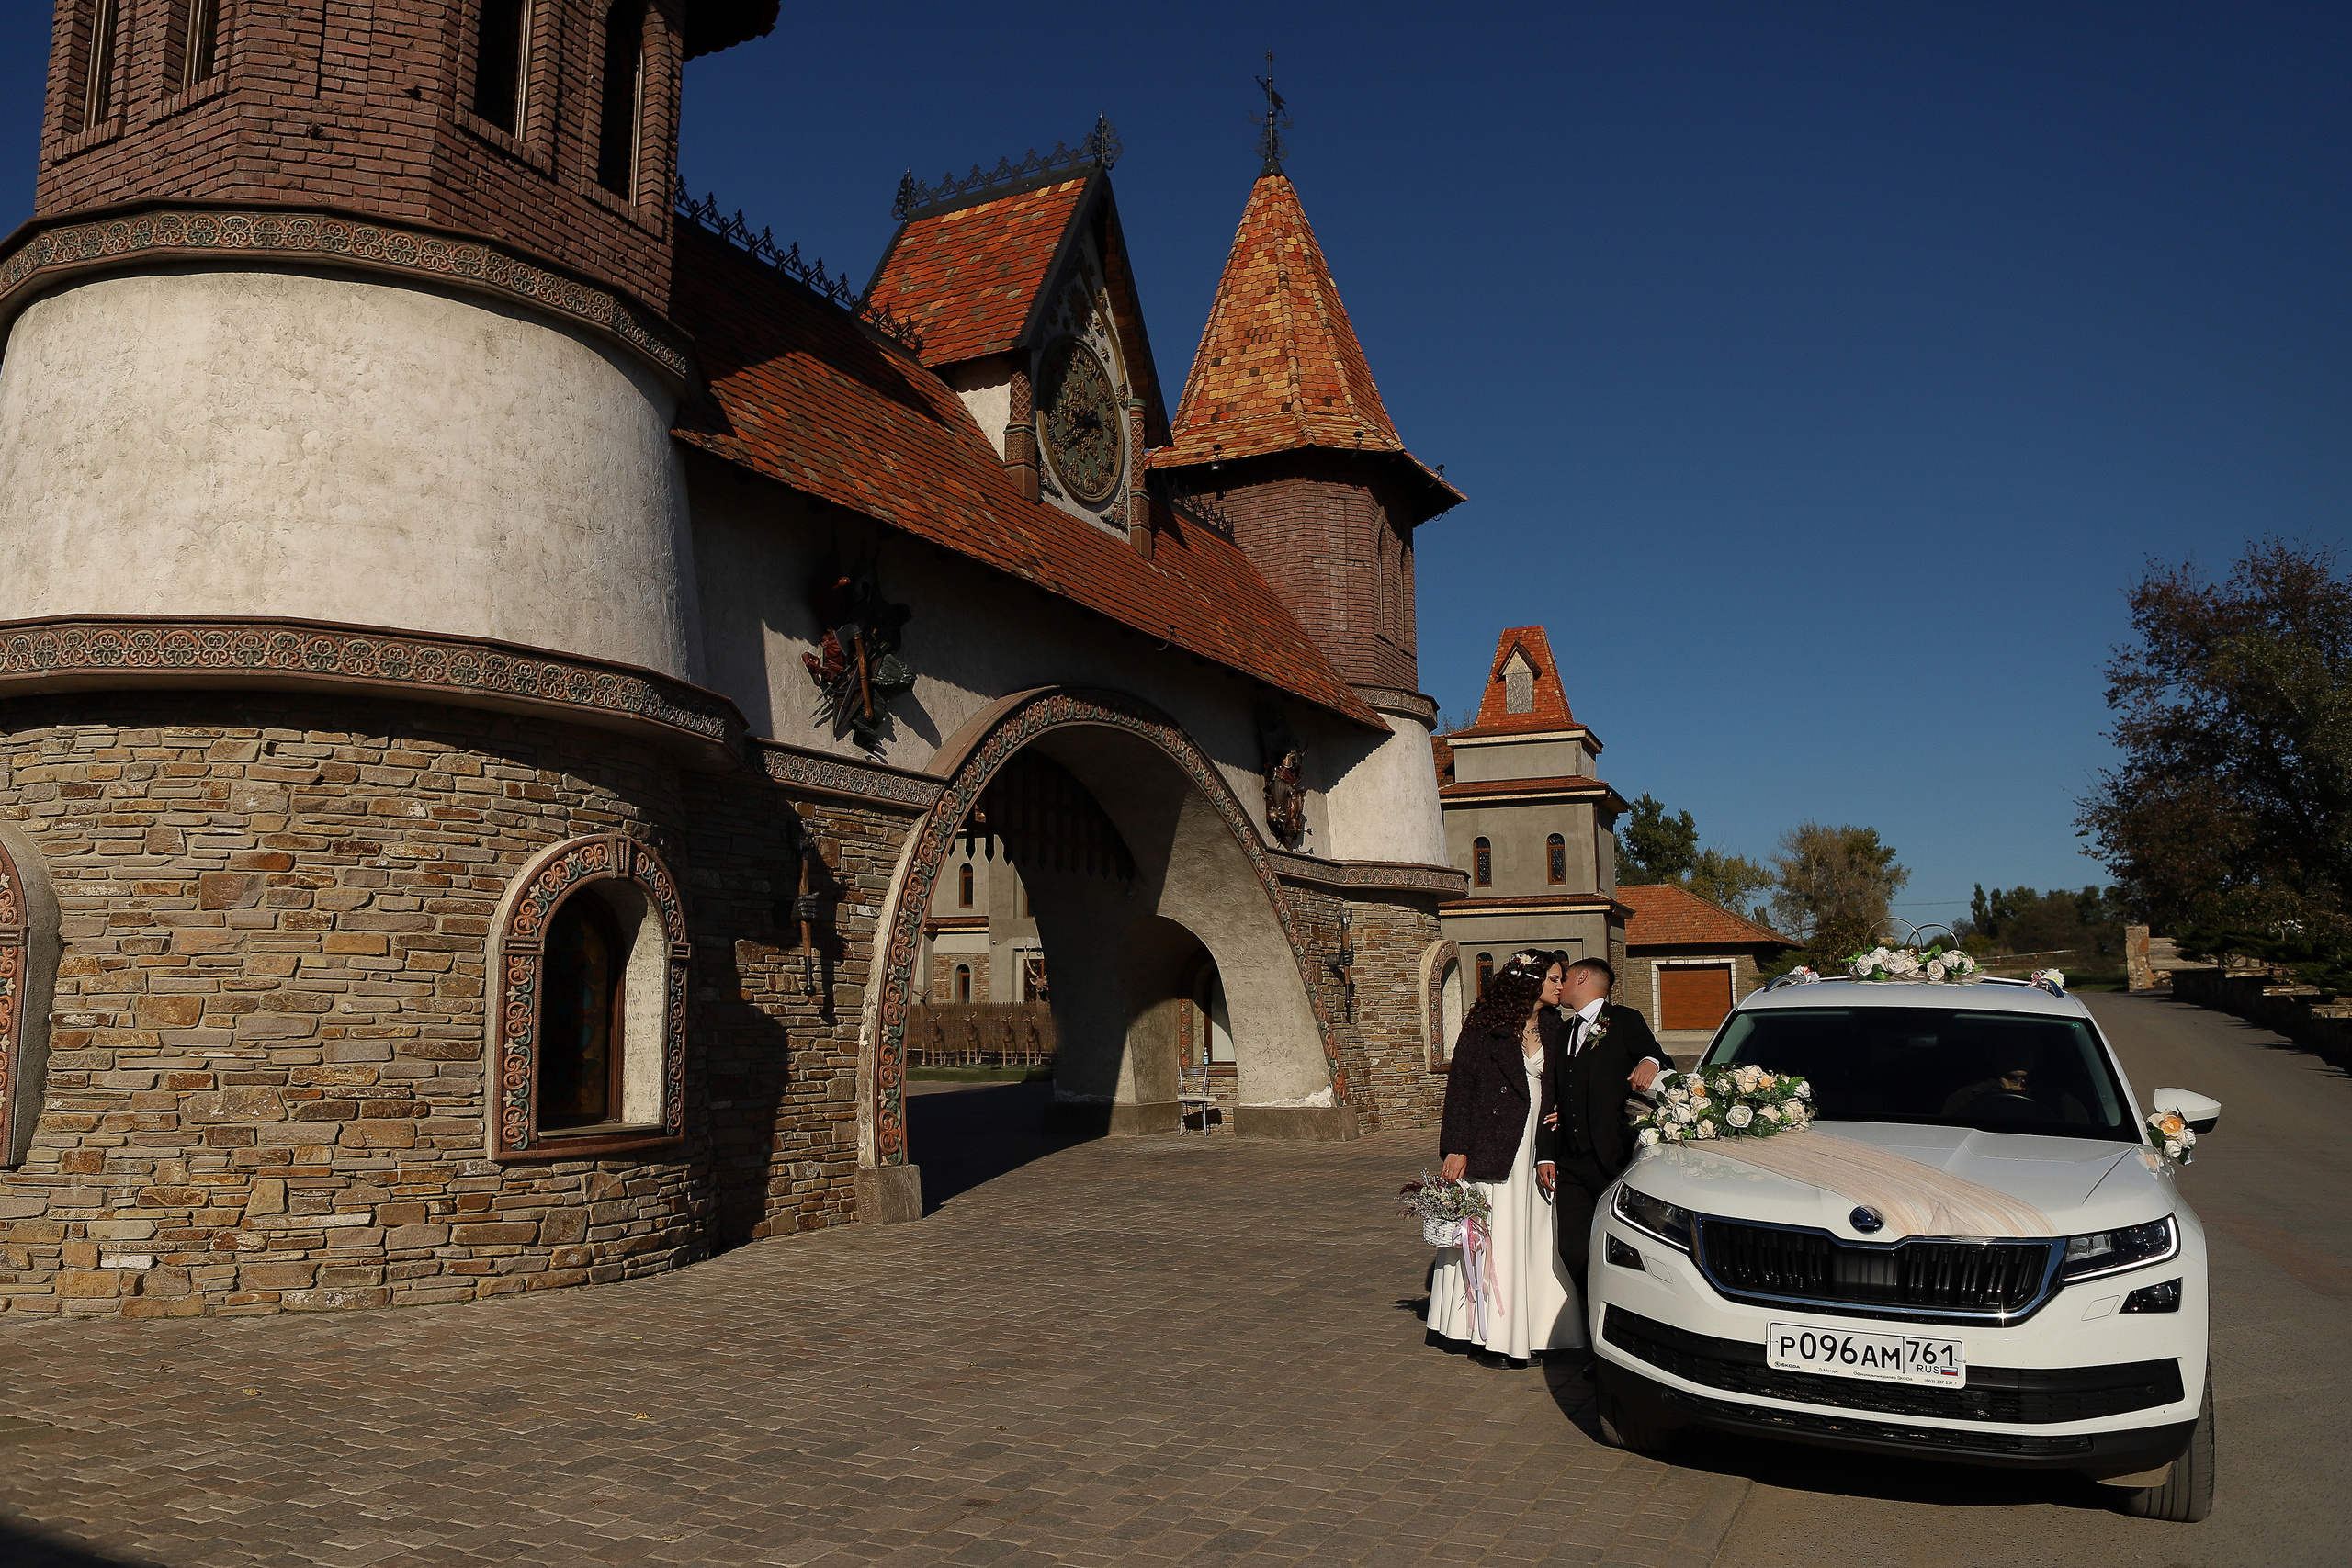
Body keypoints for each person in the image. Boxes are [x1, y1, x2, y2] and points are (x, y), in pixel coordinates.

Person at [1428, 949, 1584, 1366]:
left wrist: (1560, 1111)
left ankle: (1541, 1329)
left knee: (1535, 1232)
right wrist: (1457, 1147)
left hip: (1540, 1144)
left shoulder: (1555, 1026)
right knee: (1498, 1232)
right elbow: (1461, 1090)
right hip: (1494, 1144)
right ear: (1529, 982)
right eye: (1553, 979)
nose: (1560, 985)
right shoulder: (1484, 1028)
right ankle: (1490, 1333)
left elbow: (1565, 1082)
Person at [1536, 956, 1664, 1314]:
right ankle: (1597, 1323)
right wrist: (1546, 1154)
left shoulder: (1623, 1019)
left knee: (1620, 1250)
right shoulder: (1563, 1031)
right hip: (1571, 1160)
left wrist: (1650, 1062)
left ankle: (1617, 1330)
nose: (1559, 986)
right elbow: (1554, 1096)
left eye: (1565, 978)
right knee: (1572, 1249)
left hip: (1614, 1158)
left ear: (1585, 977)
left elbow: (1656, 1055)